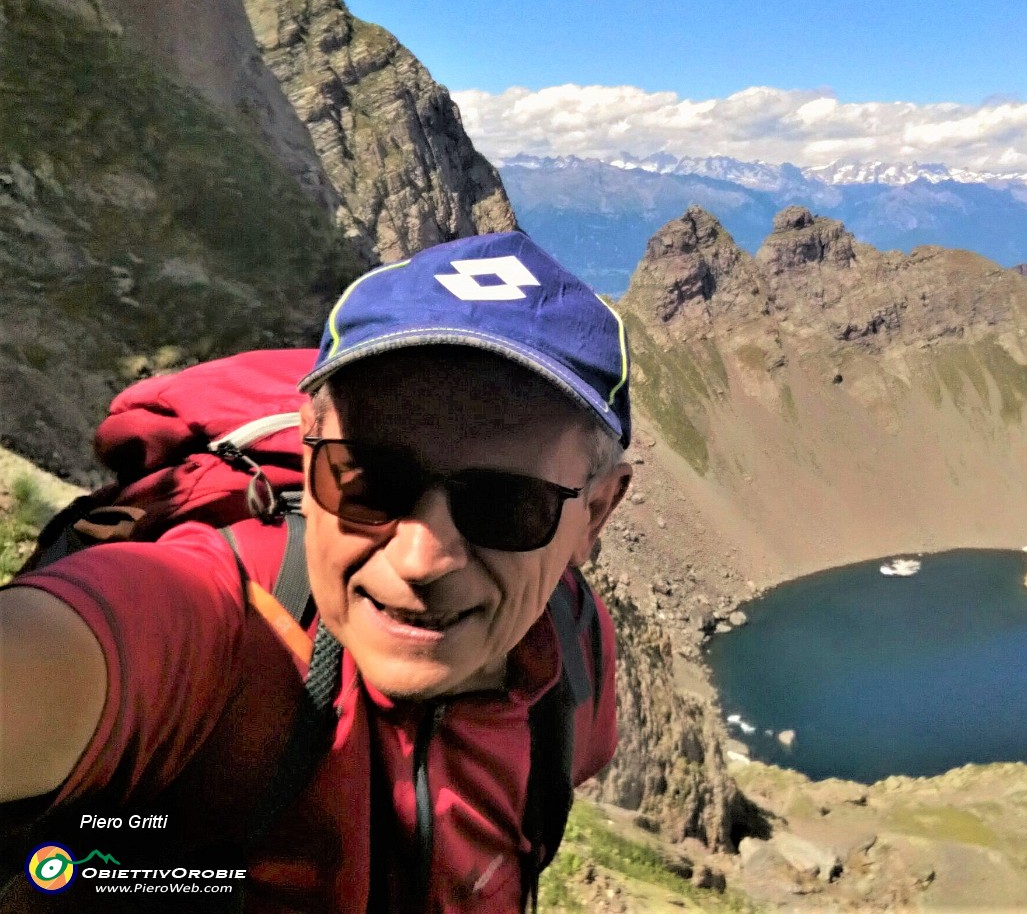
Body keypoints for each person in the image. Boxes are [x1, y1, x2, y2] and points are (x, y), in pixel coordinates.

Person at [0, 231, 633, 912]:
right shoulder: (224, 627)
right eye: (366, 478)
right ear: (307, 456)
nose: (420, 560)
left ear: (595, 514)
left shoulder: (576, 655)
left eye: (506, 505)